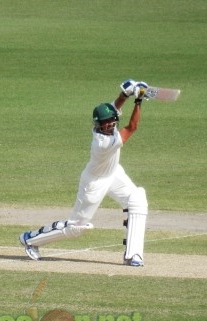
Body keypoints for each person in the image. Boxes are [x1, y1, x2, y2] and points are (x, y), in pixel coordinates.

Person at [19, 79, 149, 266]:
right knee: (77, 228)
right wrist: (138, 101)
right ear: (98, 125)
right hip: (94, 182)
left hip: (113, 173)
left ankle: (133, 255)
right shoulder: (103, 143)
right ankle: (30, 239)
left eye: (111, 121)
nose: (109, 126)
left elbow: (114, 107)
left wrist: (125, 95)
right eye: (104, 124)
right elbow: (132, 127)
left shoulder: (109, 124)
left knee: (137, 199)